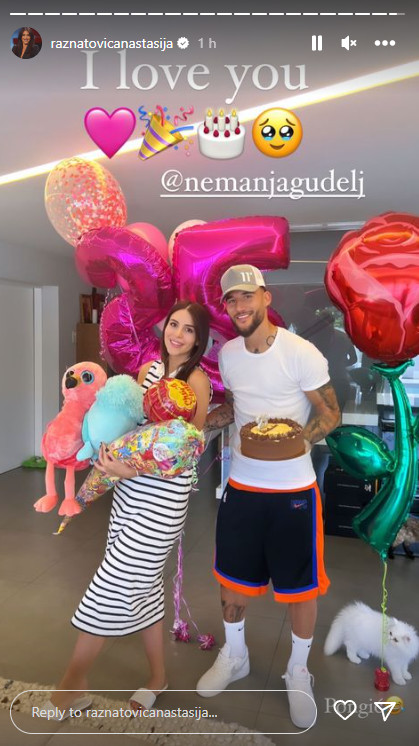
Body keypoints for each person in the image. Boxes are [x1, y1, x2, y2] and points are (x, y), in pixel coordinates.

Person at [48, 301, 211, 717]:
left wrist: (130, 467)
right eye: (173, 324)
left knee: (114, 582)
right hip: (127, 489)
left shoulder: (197, 380)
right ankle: (158, 677)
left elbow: (189, 448)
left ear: (199, 339)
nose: (177, 334)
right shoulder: (147, 371)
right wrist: (104, 453)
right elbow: (129, 425)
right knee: (145, 585)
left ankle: (70, 685)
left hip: (164, 497)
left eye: (188, 329)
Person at [196, 265, 341, 729]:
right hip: (242, 488)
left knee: (301, 587)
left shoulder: (301, 352)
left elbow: (330, 412)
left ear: (265, 297)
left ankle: (298, 670)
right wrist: (198, 425)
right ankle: (235, 655)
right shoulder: (229, 355)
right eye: (231, 300)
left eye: (246, 296)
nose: (239, 307)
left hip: (293, 491)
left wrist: (297, 441)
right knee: (232, 581)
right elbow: (235, 407)